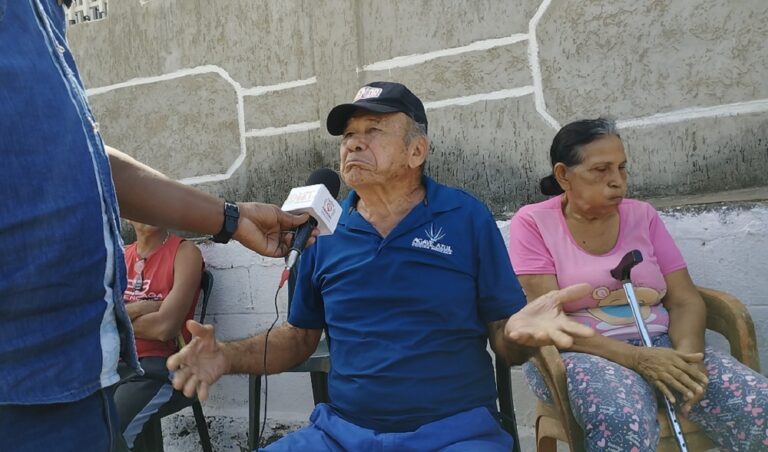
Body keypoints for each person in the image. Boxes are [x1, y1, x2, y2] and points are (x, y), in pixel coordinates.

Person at [168, 81, 595, 451]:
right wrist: (225, 356)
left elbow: (505, 338)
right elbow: (299, 338)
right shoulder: (321, 232)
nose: (354, 143)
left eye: (373, 131)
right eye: (349, 135)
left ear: (416, 151)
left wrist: (521, 335)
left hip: (455, 435)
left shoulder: (465, 218)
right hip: (341, 436)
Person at [0, 2, 311, 451]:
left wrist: (231, 218)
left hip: (86, 376)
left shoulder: (40, 17)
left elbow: (83, 158)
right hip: (27, 386)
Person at [507, 118, 768, 451]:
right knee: (619, 418)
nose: (617, 181)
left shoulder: (642, 215)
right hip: (580, 353)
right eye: (601, 169)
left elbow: (684, 300)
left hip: (661, 343)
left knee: (756, 403)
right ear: (563, 175)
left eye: (622, 168)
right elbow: (549, 320)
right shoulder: (533, 223)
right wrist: (637, 358)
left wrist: (688, 358)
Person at [114, 222, 204, 449]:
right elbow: (99, 321)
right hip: (115, 366)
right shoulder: (120, 257)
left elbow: (165, 327)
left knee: (107, 434)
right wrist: (143, 307)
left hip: (162, 368)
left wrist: (119, 317)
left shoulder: (184, 252)